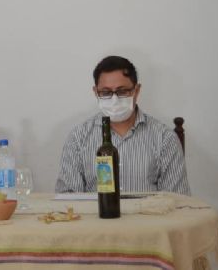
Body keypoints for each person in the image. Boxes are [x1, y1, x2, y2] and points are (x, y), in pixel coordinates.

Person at [55, 56, 190, 195]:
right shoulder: (78, 138)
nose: (114, 100)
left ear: (136, 90)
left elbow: (178, 199)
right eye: (106, 92)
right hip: (96, 210)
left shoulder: (164, 138)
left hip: (149, 210)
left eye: (122, 91)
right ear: (96, 92)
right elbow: (67, 198)